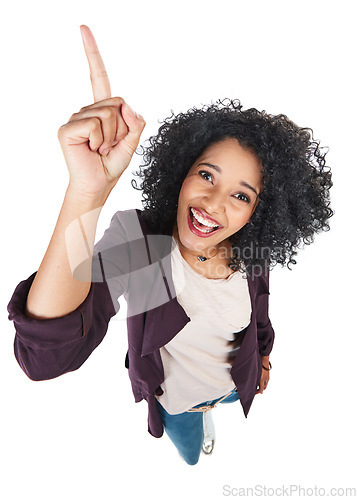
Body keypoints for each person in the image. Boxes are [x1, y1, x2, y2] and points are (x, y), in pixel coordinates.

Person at [7, 25, 334, 466]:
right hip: (177, 403)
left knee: (220, 408)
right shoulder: (146, 247)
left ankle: (215, 413)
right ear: (181, 172)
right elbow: (44, 357)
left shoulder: (249, 250)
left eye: (241, 196)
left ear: (259, 211)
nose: (215, 204)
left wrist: (265, 356)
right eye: (206, 175)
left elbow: (258, 315)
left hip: (235, 385)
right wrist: (87, 193)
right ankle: (195, 439)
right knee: (191, 455)